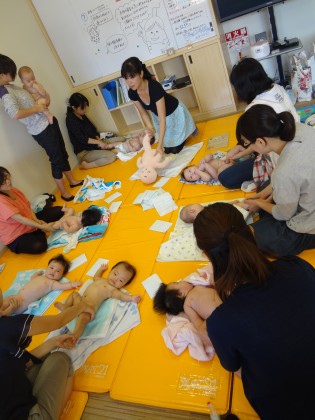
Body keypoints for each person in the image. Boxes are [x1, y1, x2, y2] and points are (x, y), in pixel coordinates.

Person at [193, 202, 315, 419]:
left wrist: (197, 318)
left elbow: (233, 366)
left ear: (205, 254)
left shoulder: (221, 321)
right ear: (250, 230)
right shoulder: (296, 265)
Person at [0, 287, 94, 420]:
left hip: (10, 399)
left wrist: (53, 342)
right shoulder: (8, 325)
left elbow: (16, 363)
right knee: (61, 357)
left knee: (44, 360)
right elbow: (58, 321)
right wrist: (82, 306)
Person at [0, 54, 82, 201]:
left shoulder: (11, 87)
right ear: (2, 74)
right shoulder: (4, 92)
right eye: (11, 71)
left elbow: (38, 100)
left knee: (62, 153)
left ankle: (72, 181)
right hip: (41, 130)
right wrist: (38, 109)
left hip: (49, 121)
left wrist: (43, 99)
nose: (14, 73)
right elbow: (15, 114)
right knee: (56, 159)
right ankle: (64, 193)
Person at [237, 104, 315, 256]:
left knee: (250, 239)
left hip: (310, 225)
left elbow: (285, 214)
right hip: (307, 191)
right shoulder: (299, 128)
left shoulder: (284, 172)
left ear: (260, 142)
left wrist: (259, 202)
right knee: (266, 187)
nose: (249, 148)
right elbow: (294, 178)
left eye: (247, 143)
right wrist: (266, 195)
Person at [220, 57, 300, 189]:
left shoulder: (254, 108)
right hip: (295, 138)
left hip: (281, 155)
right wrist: (241, 149)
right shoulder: (277, 87)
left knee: (225, 177)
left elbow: (263, 144)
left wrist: (243, 151)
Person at [121, 57, 197, 155]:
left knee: (174, 151)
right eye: (126, 78)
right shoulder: (132, 93)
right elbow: (143, 113)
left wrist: (159, 145)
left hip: (174, 114)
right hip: (159, 118)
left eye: (132, 77)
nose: (129, 82)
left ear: (141, 73)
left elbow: (162, 119)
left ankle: (190, 127)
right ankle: (186, 129)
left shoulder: (154, 87)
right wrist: (151, 128)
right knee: (168, 150)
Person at [55, 261, 140, 341]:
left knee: (82, 321)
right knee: (73, 295)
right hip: (79, 302)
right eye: (115, 274)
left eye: (121, 280)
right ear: (111, 271)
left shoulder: (112, 290)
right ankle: (66, 307)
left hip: (88, 309)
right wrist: (100, 270)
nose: (115, 279)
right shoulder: (101, 279)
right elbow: (95, 277)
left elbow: (121, 296)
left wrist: (131, 298)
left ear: (124, 285)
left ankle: (74, 336)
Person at [153, 265, 221, 354]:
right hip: (219, 317)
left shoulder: (199, 286)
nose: (182, 280)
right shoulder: (187, 305)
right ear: (180, 294)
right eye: (177, 283)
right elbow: (198, 325)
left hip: (229, 304)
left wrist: (207, 278)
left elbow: (213, 283)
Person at [0, 167, 56, 254]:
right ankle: (40, 232)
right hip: (16, 235)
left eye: (7, 177)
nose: (8, 181)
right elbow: (20, 219)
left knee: (59, 211)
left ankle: (39, 231)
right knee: (40, 246)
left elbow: (28, 207)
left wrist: (37, 221)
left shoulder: (15, 190)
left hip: (29, 222)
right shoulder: (1, 201)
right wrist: (41, 226)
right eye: (3, 182)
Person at [2, 254, 81, 315]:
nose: (53, 271)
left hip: (21, 303)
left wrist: (72, 285)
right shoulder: (40, 277)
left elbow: (62, 286)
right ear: (47, 268)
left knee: (4, 307)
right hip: (15, 297)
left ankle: (5, 314)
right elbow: (32, 280)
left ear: (61, 275)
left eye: (58, 271)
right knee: (2, 302)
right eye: (51, 268)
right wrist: (36, 274)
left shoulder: (52, 283)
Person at [66, 92, 125, 169]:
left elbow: (93, 129)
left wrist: (100, 141)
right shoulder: (70, 120)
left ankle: (110, 150)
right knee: (111, 156)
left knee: (122, 139)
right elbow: (82, 139)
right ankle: (86, 165)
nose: (85, 110)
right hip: (85, 152)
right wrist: (99, 142)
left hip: (94, 145)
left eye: (85, 106)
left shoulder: (82, 115)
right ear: (74, 108)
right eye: (82, 107)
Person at [180, 200, 249, 224]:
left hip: (229, 210)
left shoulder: (206, 209)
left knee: (246, 201)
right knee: (245, 204)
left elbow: (220, 206)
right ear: (192, 210)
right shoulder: (205, 217)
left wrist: (231, 203)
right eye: (193, 204)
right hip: (232, 215)